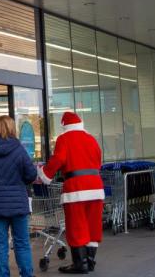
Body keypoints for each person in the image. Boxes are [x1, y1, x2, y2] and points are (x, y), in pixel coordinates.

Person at [38, 112, 103, 274]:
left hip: (76, 188)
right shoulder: (91, 138)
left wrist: (45, 173)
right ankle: (90, 261)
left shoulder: (64, 139)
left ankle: (80, 264)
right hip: (95, 186)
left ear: (64, 126)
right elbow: (98, 160)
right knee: (92, 224)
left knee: (76, 225)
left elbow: (58, 159)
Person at [0, 116, 38, 277]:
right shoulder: (18, 149)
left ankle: (3, 274)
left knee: (0, 243)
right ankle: (26, 274)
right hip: (17, 203)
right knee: (22, 242)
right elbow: (31, 174)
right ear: (9, 128)